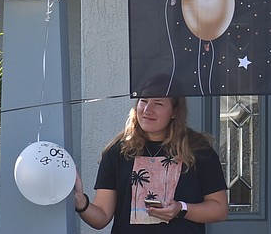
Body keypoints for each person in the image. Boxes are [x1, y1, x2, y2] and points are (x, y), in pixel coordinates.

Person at [72, 87, 228, 233]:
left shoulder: (197, 149)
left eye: (158, 103)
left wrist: (181, 209)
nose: (147, 110)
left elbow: (219, 210)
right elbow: (101, 217)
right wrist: (80, 201)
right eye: (144, 101)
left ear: (174, 112)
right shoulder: (118, 151)